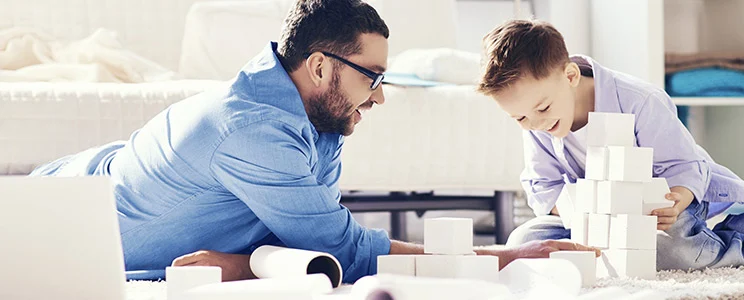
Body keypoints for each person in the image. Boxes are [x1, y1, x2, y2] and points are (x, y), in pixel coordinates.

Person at [30, 2, 597, 283]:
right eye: (371, 77)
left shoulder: (308, 109)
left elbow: (307, 231)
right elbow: (345, 251)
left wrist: (248, 263)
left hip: (97, 180)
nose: (379, 97)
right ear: (320, 65)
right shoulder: (253, 130)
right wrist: (507, 255)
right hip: (59, 215)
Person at [478, 19, 744, 270]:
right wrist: (586, 216)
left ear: (571, 76)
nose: (535, 124)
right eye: (520, 118)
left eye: (543, 108)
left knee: (674, 250)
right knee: (524, 241)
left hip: (666, 203)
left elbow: (684, 166)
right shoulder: (537, 119)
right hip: (593, 214)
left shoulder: (640, 100)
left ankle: (738, 237)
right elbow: (544, 185)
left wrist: (675, 203)